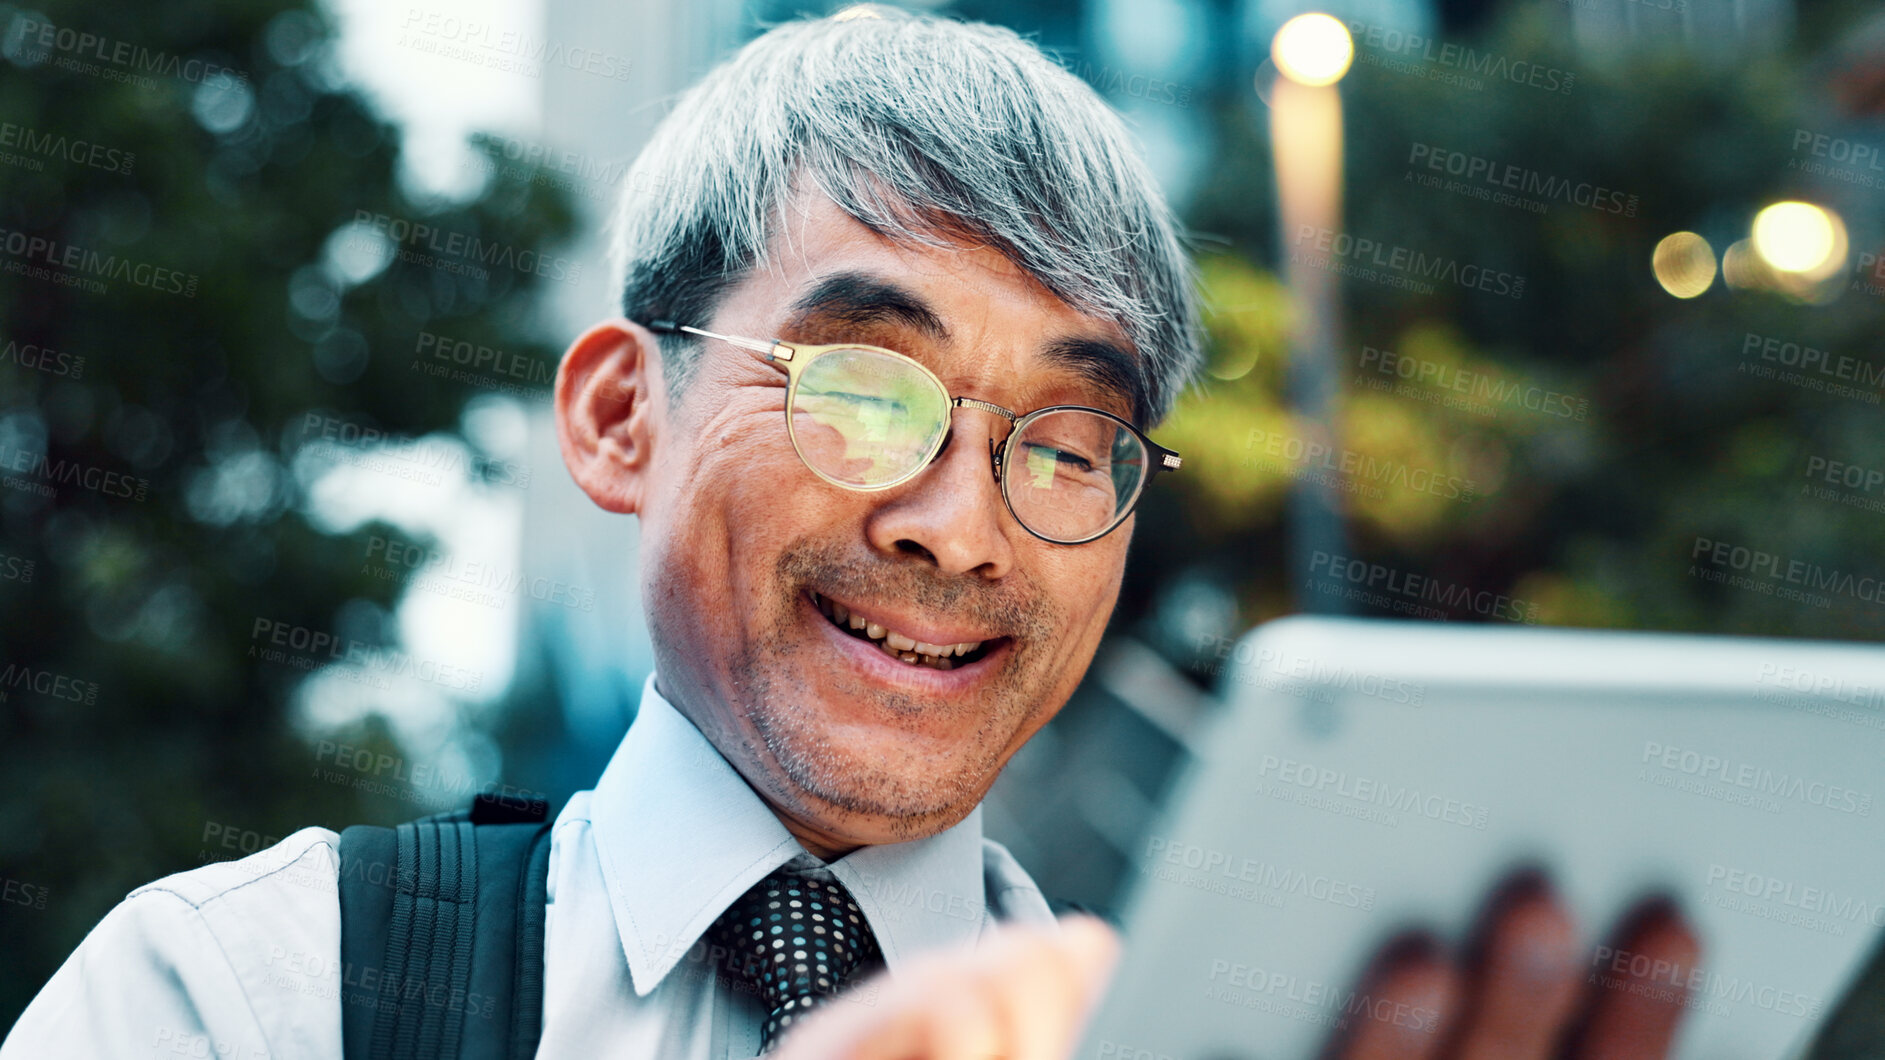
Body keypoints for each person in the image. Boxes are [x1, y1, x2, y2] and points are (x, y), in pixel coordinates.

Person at [1, 8, 1698, 1059]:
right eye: (867, 390)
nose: (961, 532)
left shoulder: (1208, 1037)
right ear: (616, 416)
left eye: (1066, 438)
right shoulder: (242, 999)